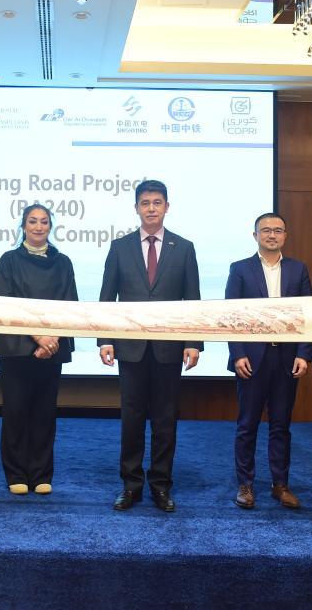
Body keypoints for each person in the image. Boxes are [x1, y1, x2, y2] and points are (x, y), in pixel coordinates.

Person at [98, 180, 201, 513]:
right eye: (145, 203)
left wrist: (193, 342)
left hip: (169, 348)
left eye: (157, 202)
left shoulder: (183, 248)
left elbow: (192, 300)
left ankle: (161, 486)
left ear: (167, 207)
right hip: (130, 348)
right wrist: (105, 339)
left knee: (165, 420)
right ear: (137, 208)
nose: (151, 208)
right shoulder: (120, 247)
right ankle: (131, 486)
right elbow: (107, 297)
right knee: (131, 419)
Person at [0, 204, 79, 495]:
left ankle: (41, 474)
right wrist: (38, 337)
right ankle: (16, 473)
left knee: (44, 413)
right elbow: (5, 303)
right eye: (32, 221)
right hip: (16, 348)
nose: (38, 227)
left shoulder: (63, 262)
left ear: (50, 226)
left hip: (52, 348)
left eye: (43, 222)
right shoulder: (9, 260)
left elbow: (69, 304)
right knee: (15, 411)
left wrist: (51, 340)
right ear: (23, 226)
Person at [226, 212, 312, 510]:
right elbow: (231, 315)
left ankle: (280, 485)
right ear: (255, 236)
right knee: (247, 425)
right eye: (266, 230)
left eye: (278, 230)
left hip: (287, 359)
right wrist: (238, 353)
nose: (272, 235)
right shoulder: (240, 269)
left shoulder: (298, 269)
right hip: (251, 359)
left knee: (281, 426)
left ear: (285, 235)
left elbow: (307, 314)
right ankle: (246, 485)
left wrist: (304, 353)